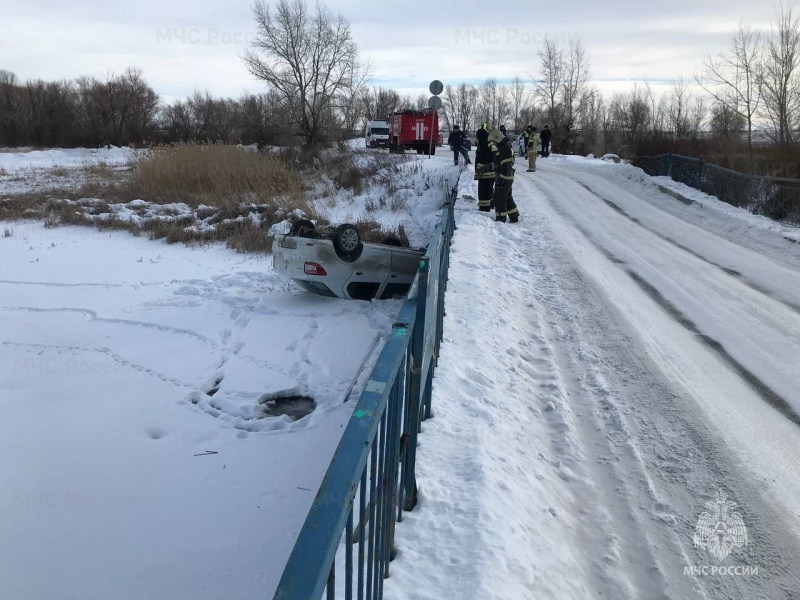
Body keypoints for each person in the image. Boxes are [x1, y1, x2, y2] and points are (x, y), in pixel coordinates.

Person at [488, 130, 519, 223]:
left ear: (497, 138)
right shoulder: (505, 146)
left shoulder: (504, 148)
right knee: (507, 196)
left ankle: (501, 218)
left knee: (499, 197)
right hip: (507, 177)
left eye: (493, 141)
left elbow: (505, 165)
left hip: (504, 177)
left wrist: (501, 178)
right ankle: (514, 215)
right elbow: (499, 162)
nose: (493, 143)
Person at [474, 127, 497, 212]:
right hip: (488, 173)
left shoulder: (484, 144)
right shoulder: (489, 143)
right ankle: (490, 204)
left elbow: (485, 158)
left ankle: (484, 208)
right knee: (489, 190)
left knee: (484, 191)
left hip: (485, 173)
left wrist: (480, 169)